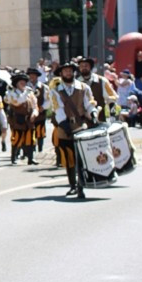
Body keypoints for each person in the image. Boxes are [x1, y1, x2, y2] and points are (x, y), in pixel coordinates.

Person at [50, 61, 99, 197]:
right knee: (70, 158)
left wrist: (93, 113)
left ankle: (82, 184)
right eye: (65, 71)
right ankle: (73, 185)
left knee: (82, 157)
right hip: (65, 126)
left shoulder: (83, 88)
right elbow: (57, 108)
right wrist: (63, 124)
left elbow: (89, 104)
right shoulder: (56, 91)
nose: (68, 73)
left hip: (81, 125)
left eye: (70, 71)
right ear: (60, 74)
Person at [4, 72, 38, 164]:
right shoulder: (11, 93)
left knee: (31, 139)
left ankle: (31, 159)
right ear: (16, 83)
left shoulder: (30, 93)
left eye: (24, 82)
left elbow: (35, 105)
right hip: (17, 120)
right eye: (21, 82)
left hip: (29, 120)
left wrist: (34, 113)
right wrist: (26, 92)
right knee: (17, 139)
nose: (23, 83)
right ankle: (13, 157)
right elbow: (18, 102)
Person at [77, 57, 118, 122]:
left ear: (91, 67)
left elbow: (112, 99)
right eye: (81, 66)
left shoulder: (102, 81)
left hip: (100, 120)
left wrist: (113, 116)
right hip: (82, 122)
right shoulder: (76, 83)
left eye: (86, 65)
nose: (84, 68)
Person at [26, 66, 48, 152]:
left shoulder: (43, 87)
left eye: (33, 75)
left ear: (37, 76)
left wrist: (43, 107)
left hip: (41, 113)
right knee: (30, 131)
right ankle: (31, 148)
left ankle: (40, 148)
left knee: (40, 131)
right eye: (30, 75)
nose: (32, 77)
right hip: (29, 113)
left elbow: (48, 100)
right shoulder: (26, 87)